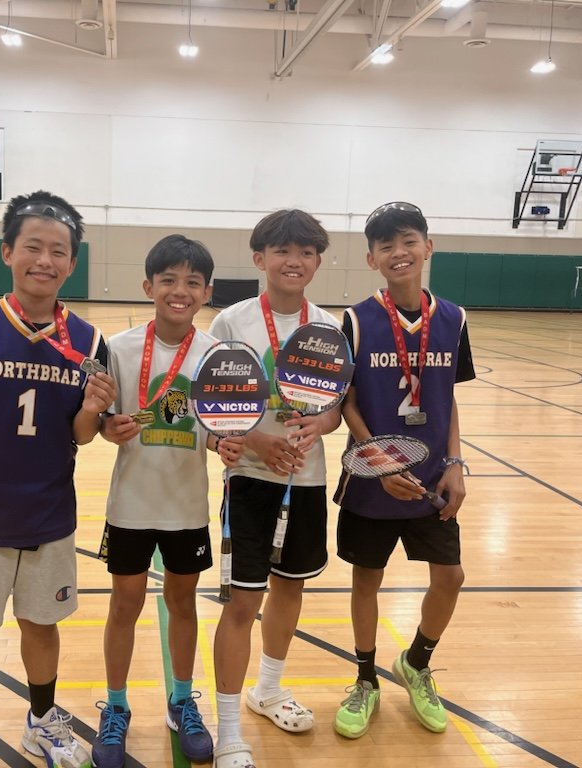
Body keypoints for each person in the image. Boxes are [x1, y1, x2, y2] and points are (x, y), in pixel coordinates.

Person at [0, 190, 117, 768]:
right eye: (32, 246)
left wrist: (92, 409)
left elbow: (84, 434)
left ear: (72, 262)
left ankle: (41, 721)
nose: (45, 260)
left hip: (48, 514)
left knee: (41, 625)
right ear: (8, 251)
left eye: (59, 251)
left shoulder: (88, 343)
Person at [332, 201, 475, 741]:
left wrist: (457, 463)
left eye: (408, 241)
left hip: (434, 477)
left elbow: (448, 399)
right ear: (372, 258)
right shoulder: (355, 319)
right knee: (366, 577)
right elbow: (345, 401)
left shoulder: (455, 318)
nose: (399, 252)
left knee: (451, 577)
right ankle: (365, 678)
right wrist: (377, 460)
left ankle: (416, 661)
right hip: (373, 480)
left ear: (427, 247)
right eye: (387, 245)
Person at [208, 209, 342, 768]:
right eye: (283, 251)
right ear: (260, 258)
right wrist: (255, 441)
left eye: (307, 252)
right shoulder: (231, 323)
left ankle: (268, 688)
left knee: (291, 589)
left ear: (317, 262)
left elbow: (335, 409)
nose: (295, 261)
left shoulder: (329, 326)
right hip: (250, 483)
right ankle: (229, 724)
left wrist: (322, 424)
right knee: (243, 602)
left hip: (305, 480)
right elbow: (210, 409)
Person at [93, 234, 230, 768]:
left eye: (192, 282)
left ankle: (180, 700)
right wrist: (110, 427)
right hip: (131, 503)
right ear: (148, 286)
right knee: (123, 606)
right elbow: (102, 421)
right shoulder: (120, 347)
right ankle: (118, 706)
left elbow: (216, 429)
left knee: (182, 603)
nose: (180, 290)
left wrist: (225, 441)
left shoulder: (216, 356)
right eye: (169, 280)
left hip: (185, 505)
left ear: (206, 291)